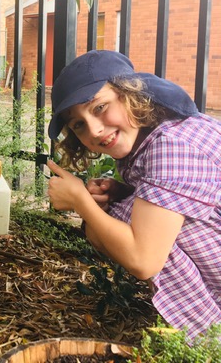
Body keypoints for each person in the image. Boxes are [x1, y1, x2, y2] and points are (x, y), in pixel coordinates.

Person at [46, 50, 221, 341]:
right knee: (123, 210)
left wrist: (81, 201)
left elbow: (144, 260)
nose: (95, 130)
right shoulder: (158, 135)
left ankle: (208, 339)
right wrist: (124, 192)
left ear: (131, 93)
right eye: (78, 124)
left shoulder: (172, 147)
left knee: (122, 221)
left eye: (99, 107)